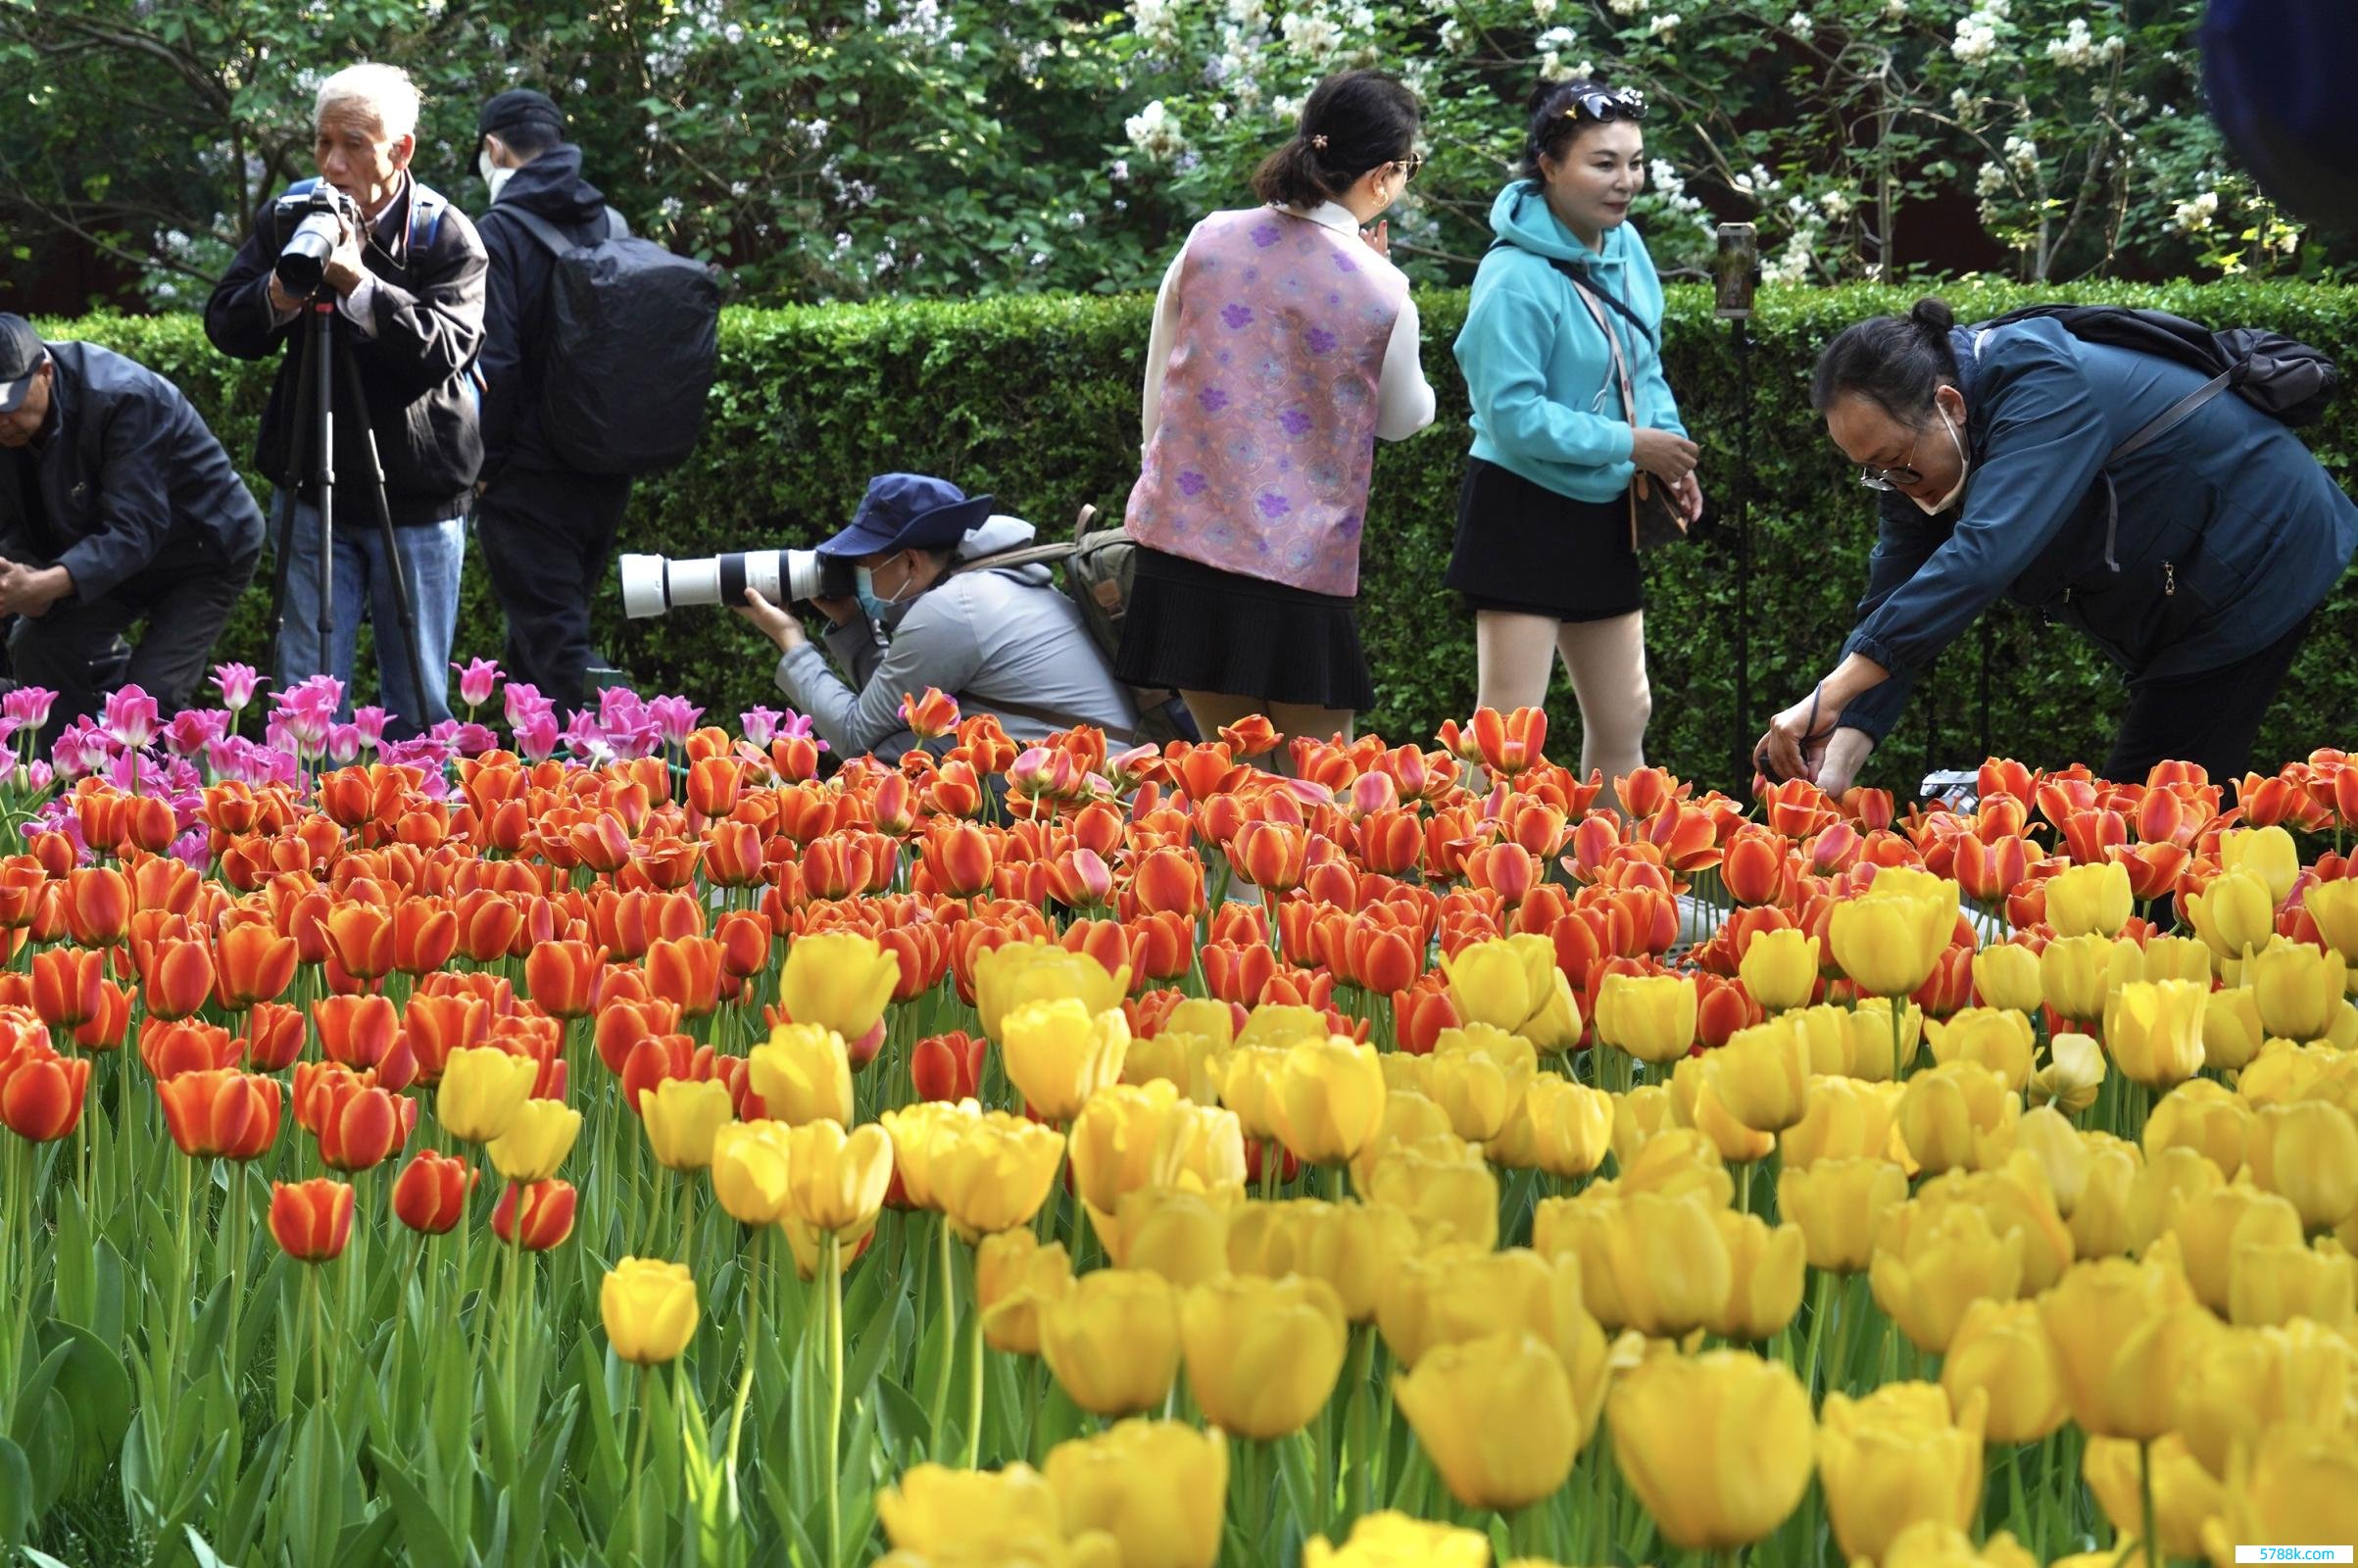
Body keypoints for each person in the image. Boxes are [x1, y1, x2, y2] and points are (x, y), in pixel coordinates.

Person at [1756, 296, 2358, 790]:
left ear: (1950, 404)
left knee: (2144, 818)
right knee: (2161, 817)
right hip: (2188, 579)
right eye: (1874, 472)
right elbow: (1896, 592)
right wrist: (1842, 747)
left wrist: (1828, 693)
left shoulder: (2042, 384)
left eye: (1895, 463)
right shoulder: (1914, 445)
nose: (1894, 485)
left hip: (2262, 551)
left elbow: (1984, 554)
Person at [1114, 69, 1436, 750]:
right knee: (1321, 804)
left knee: (1226, 788)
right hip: (1299, 570)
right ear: (1382, 176)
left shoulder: (1209, 237)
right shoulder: (1383, 288)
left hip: (1185, 554)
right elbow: (1405, 419)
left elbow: (1161, 383)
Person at [203, 62, 485, 739]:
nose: (333, 163)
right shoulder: (292, 216)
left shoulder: (444, 236)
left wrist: (361, 288)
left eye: (354, 143)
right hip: (311, 488)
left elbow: (450, 347)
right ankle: (301, 832)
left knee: (415, 695)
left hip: (416, 498)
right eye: (323, 142)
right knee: (306, 696)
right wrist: (278, 294)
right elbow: (223, 322)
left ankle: (419, 834)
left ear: (401, 149)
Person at [1449, 79, 1699, 804]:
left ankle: (1619, 892)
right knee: (1507, 732)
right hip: (1520, 508)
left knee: (1627, 716)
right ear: (1548, 165)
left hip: (1605, 511)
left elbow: (1644, 365)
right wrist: (1632, 444)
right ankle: (1457, 889)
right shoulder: (1511, 278)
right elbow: (1512, 417)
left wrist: (1670, 452)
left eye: (1636, 162)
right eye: (1603, 163)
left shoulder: (1627, 249)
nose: (1625, 182)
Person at [735, 472, 1139, 763]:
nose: (857, 574)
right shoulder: (986, 584)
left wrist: (792, 642)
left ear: (909, 561)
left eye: (864, 563)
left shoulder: (953, 608)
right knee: (913, 739)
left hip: (1086, 792)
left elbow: (857, 737)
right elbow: (898, 709)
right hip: (1098, 773)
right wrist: (850, 624)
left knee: (895, 759)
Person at [0, 315, 264, 750]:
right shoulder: (13, 426)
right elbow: (15, 525)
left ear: (44, 372)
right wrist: (17, 579)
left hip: (205, 550)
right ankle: (67, 792)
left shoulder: (123, 397)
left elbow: (136, 527)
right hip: (106, 551)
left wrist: (45, 584)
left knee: (149, 697)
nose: (1, 419)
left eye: (7, 401)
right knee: (37, 646)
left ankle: (155, 810)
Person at [470, 87, 635, 718]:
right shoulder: (610, 224)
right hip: (604, 466)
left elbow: (498, 363)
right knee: (543, 635)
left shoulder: (501, 230)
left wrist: (483, 466)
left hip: (530, 475)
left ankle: (608, 781)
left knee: (555, 646)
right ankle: (529, 792)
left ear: (494, 149)